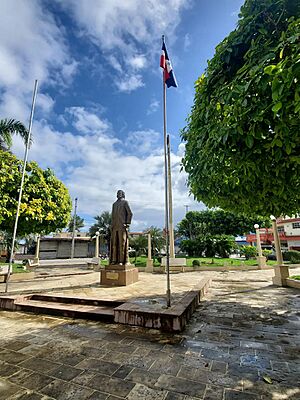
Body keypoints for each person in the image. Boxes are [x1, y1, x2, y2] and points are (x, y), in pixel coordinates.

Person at [109, 190, 133, 265]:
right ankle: (114, 260)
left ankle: (122, 261)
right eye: (117, 193)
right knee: (114, 244)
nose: (118, 194)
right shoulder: (114, 204)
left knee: (122, 243)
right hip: (114, 227)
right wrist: (111, 225)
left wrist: (127, 223)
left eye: (120, 193)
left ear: (123, 194)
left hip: (122, 226)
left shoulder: (125, 202)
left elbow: (130, 213)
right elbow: (113, 216)